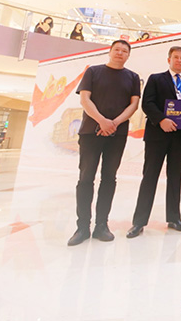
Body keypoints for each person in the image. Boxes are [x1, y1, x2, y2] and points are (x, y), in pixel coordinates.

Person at [127, 46, 181, 238]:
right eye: (175, 57)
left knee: (175, 176)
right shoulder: (156, 79)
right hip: (158, 134)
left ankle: (174, 218)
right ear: (169, 59)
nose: (179, 60)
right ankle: (138, 222)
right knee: (150, 176)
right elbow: (147, 103)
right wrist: (161, 120)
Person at [67, 40, 140, 246]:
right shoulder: (93, 71)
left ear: (128, 55)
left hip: (117, 134)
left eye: (124, 51)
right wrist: (102, 121)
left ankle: (101, 225)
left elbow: (134, 105)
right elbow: (85, 99)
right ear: (110, 51)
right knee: (85, 178)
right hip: (91, 132)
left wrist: (114, 123)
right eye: (117, 49)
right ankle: (82, 227)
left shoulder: (133, 77)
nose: (120, 53)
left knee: (109, 178)